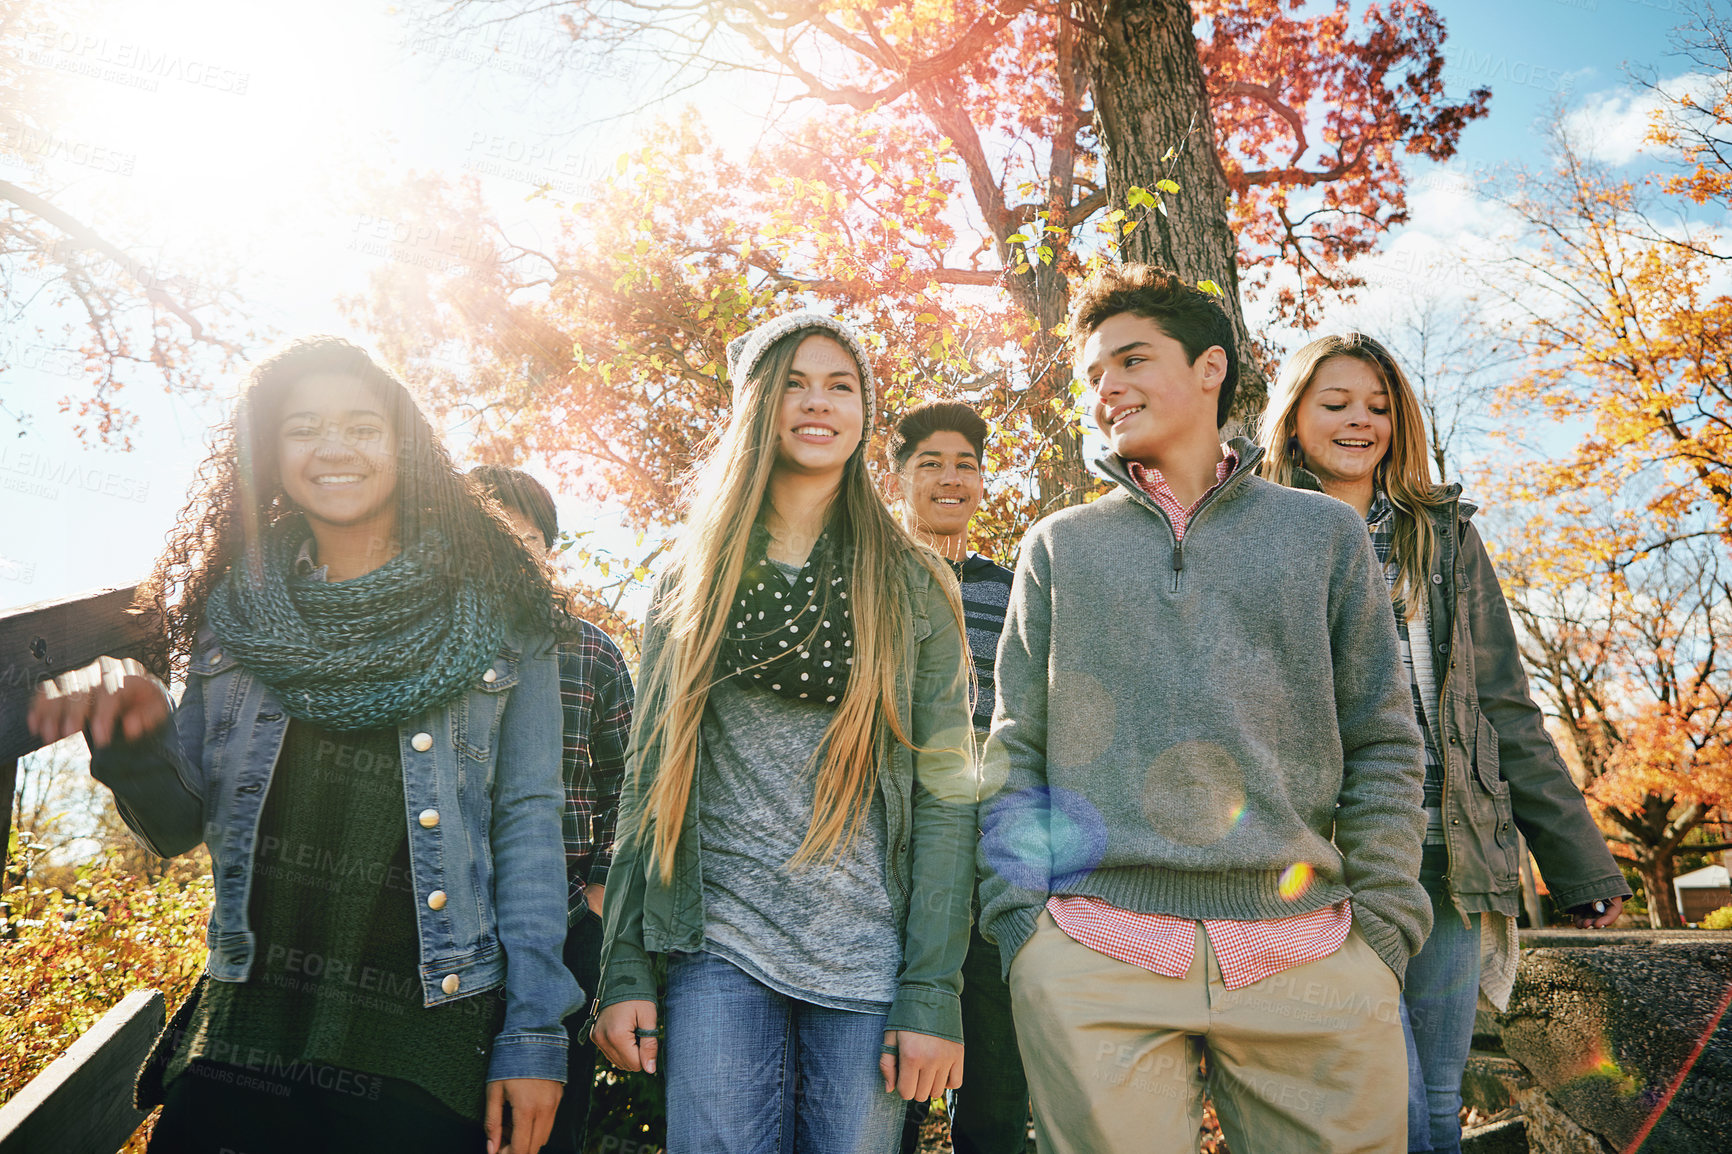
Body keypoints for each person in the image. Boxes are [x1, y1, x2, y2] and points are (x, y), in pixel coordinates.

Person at [27, 338, 581, 1154]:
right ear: (267, 452)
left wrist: (535, 1031)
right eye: (302, 427)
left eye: (362, 425)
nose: (332, 447)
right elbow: (178, 827)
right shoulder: (233, 614)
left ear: (405, 446)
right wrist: (136, 743)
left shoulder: (505, 615)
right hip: (243, 1028)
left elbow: (530, 826)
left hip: (426, 1034)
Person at [976, 264, 1431, 1154]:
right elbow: (1014, 750)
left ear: (1211, 368)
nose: (1108, 388)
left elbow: (1384, 739)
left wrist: (1381, 930)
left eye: (1133, 360)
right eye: (1094, 376)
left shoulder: (1323, 535)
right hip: (1092, 951)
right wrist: (1023, 930)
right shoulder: (1060, 548)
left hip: (1311, 956)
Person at [589, 311, 978, 1154]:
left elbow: (949, 801)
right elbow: (647, 780)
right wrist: (623, 967)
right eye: (795, 382)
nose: (819, 402)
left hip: (867, 958)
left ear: (865, 413)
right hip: (718, 945)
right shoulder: (690, 578)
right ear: (756, 405)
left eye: (842, 385)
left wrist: (931, 990)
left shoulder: (914, 583)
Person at [1257, 332, 1630, 1154]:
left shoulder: (1443, 537)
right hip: (1328, 862)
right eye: (1337, 403)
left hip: (1450, 859)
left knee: (1430, 1101)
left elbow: (1503, 708)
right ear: (1293, 419)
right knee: (1375, 1095)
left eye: (1379, 407)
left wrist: (1579, 867)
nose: (1361, 421)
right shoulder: (1255, 532)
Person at [469, 465, 635, 1154]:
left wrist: (597, 895)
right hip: (457, 912)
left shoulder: (591, 650)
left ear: (548, 549)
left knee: (546, 1122)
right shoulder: (437, 651)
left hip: (567, 919)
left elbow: (632, 783)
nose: (511, 552)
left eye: (527, 539)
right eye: (490, 535)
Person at [887, 402, 1025, 1154]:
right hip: (893, 866)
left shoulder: (1013, 591)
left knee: (999, 1102)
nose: (950, 478)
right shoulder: (871, 579)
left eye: (965, 463)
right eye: (930, 463)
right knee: (890, 1094)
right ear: (898, 476)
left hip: (993, 873)